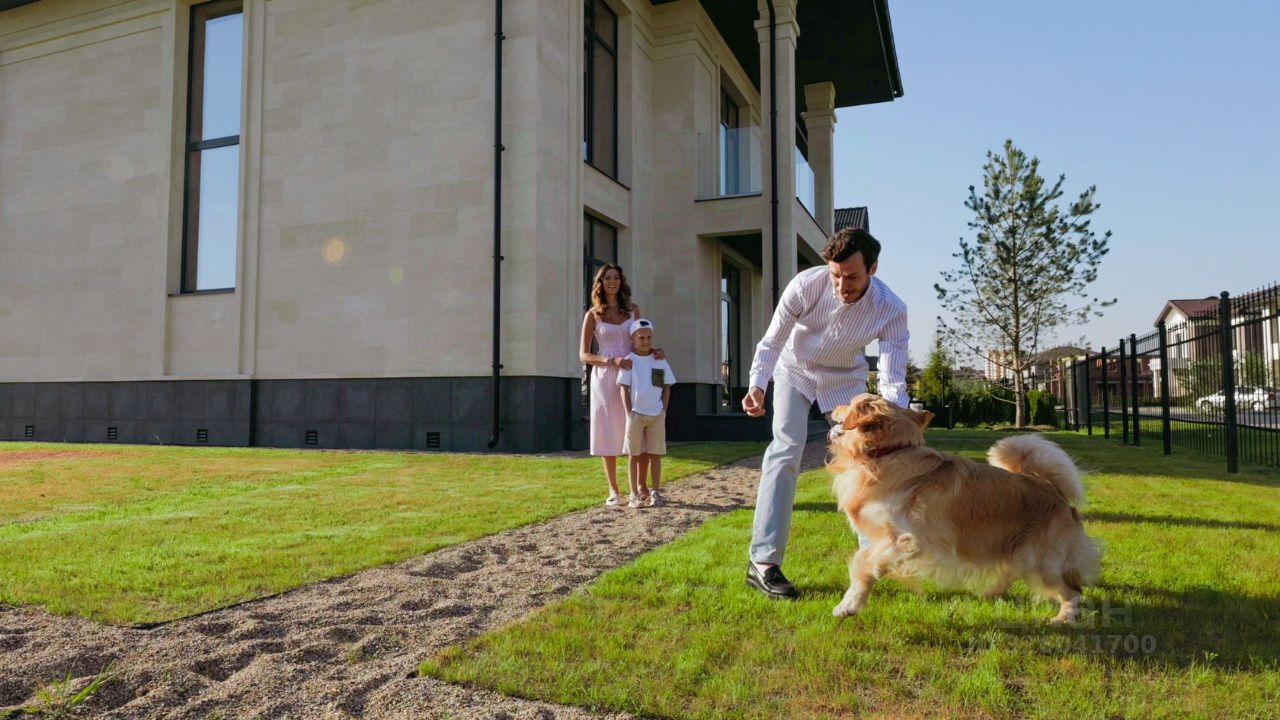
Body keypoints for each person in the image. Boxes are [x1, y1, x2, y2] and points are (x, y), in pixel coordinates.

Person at [741, 227, 909, 600]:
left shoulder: (891, 309)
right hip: (795, 371)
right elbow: (772, 341)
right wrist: (757, 385)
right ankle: (763, 563)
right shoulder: (805, 285)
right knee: (786, 448)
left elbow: (892, 375)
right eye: (836, 275)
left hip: (845, 381)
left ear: (873, 269)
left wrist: (892, 416)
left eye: (851, 277)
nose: (841, 285)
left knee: (865, 461)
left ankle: (873, 556)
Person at [579, 264, 661, 506]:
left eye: (616, 277)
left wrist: (654, 352)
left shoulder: (633, 310)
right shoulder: (592, 314)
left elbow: (640, 341)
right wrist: (611, 360)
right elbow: (584, 354)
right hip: (605, 377)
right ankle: (614, 490)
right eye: (607, 278)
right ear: (600, 283)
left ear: (621, 281)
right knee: (608, 430)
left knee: (638, 427)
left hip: (634, 374)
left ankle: (641, 486)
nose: (612, 281)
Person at [617, 318, 676, 508]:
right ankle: (633, 494)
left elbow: (666, 387)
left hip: (656, 414)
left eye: (649, 337)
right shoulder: (629, 361)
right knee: (633, 455)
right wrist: (629, 412)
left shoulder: (659, 360)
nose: (645, 341)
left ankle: (656, 492)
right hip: (636, 414)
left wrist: (663, 410)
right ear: (633, 340)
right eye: (641, 338)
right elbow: (623, 388)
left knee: (655, 455)